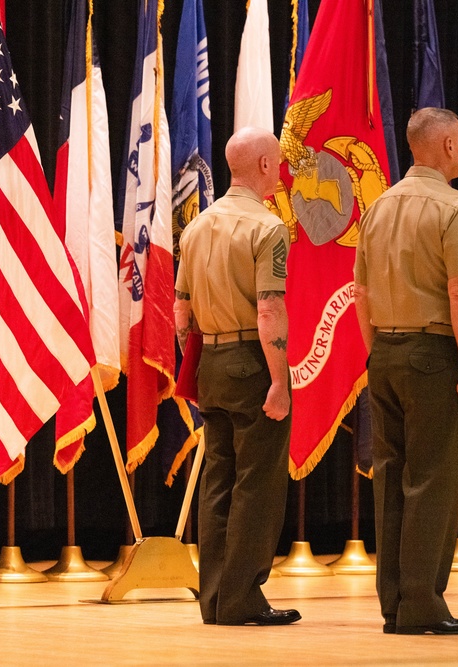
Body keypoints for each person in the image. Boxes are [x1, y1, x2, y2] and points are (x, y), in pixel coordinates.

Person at [354, 107, 458, 636]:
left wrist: (377, 351)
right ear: (448, 146)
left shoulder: (378, 206)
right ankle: (424, 607)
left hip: (384, 351)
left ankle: (395, 606)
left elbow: (360, 291)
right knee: (432, 481)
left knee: (390, 480)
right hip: (434, 354)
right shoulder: (456, 208)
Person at [174, 127, 299, 627]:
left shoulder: (197, 226)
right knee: (258, 484)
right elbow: (269, 310)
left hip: (212, 364)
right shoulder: (267, 227)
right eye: (279, 162)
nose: (282, 171)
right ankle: (243, 596)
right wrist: (278, 380)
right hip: (253, 361)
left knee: (217, 481)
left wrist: (198, 362)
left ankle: (215, 599)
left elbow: (181, 313)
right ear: (265, 166)